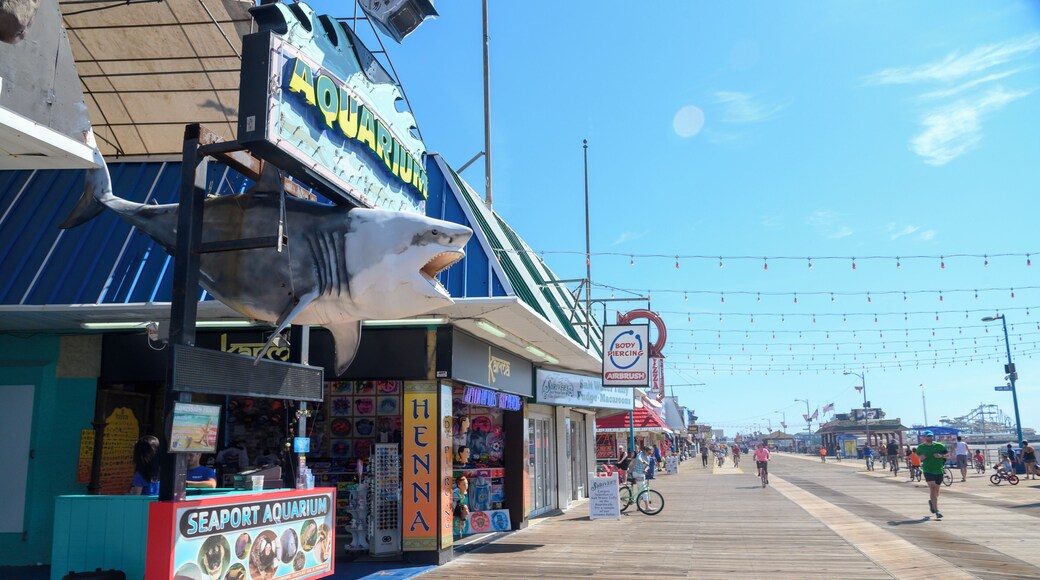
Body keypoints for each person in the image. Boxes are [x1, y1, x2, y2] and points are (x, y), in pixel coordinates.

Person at [916, 430, 949, 519]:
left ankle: (932, 502)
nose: (930, 438)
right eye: (928, 436)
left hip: (938, 469)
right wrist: (920, 458)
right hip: (928, 469)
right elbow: (917, 456)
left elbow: (948, 455)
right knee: (932, 487)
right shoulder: (921, 447)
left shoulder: (939, 446)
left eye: (931, 436)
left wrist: (940, 456)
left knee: (937, 490)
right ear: (924, 437)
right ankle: (937, 510)